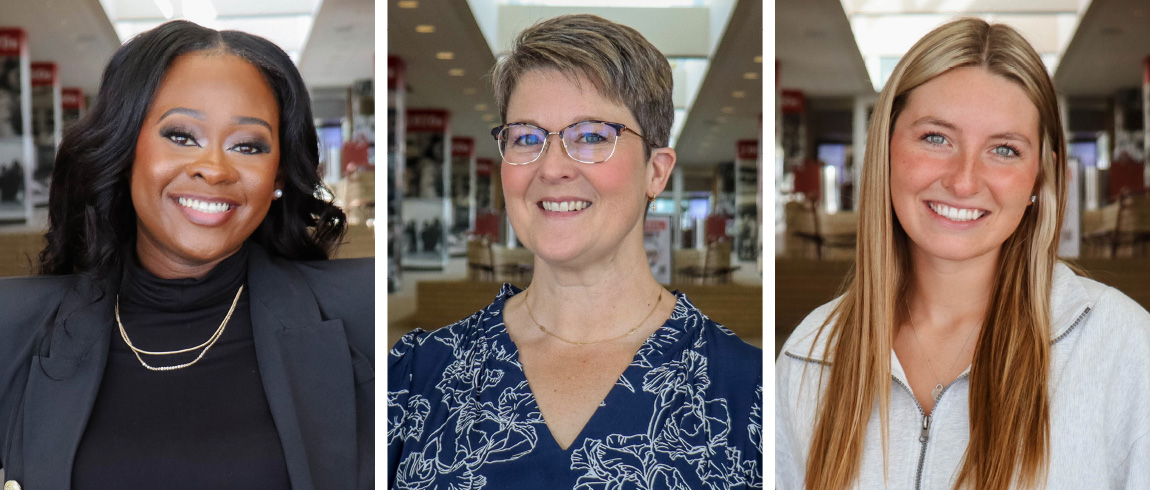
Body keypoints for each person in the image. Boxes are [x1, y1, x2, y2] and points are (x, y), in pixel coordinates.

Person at [388, 14, 762, 489]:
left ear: (657, 171)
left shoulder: (747, 395)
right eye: (527, 137)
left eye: (590, 136)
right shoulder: (415, 377)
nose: (552, 168)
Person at [776, 18, 1150, 489]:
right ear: (886, 148)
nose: (964, 180)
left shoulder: (1123, 348)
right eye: (936, 138)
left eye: (1005, 149)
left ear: (1040, 175)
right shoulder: (812, 354)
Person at [0, 21, 374, 489]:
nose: (214, 170)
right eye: (181, 136)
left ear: (278, 176)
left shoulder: (365, 313)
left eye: (248, 145)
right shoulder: (13, 329)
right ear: (126, 147)